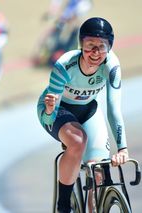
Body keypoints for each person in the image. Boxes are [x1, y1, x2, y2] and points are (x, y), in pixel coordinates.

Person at [37, 17, 129, 212]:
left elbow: (113, 108)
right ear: (81, 45)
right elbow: (48, 118)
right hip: (58, 111)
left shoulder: (111, 65)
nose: (95, 53)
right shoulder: (64, 65)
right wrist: (49, 111)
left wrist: (122, 149)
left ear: (109, 47)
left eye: (101, 46)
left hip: (88, 110)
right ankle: (63, 205)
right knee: (78, 141)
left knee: (99, 170)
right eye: (90, 46)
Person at [33, 0, 92, 66]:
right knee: (50, 39)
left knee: (66, 47)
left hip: (72, 30)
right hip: (63, 24)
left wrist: (63, 21)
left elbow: (75, 19)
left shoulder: (85, 3)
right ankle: (47, 58)